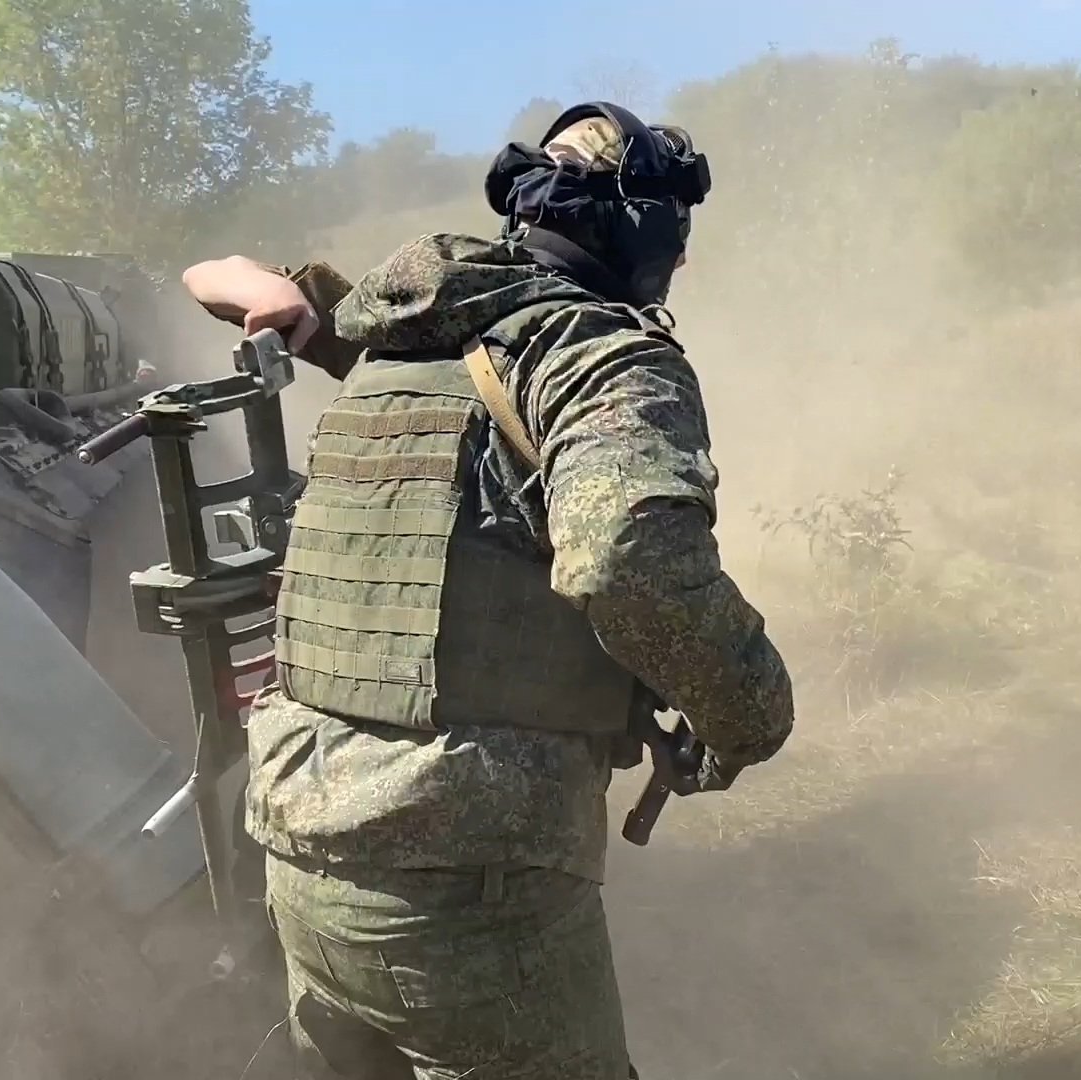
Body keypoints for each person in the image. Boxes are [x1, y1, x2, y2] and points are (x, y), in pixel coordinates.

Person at [181, 102, 795, 1080]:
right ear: (648, 241)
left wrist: (272, 294)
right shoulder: (597, 360)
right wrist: (752, 713)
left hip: (300, 845)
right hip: (461, 887)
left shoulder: (402, 331)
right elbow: (632, 563)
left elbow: (207, 273)